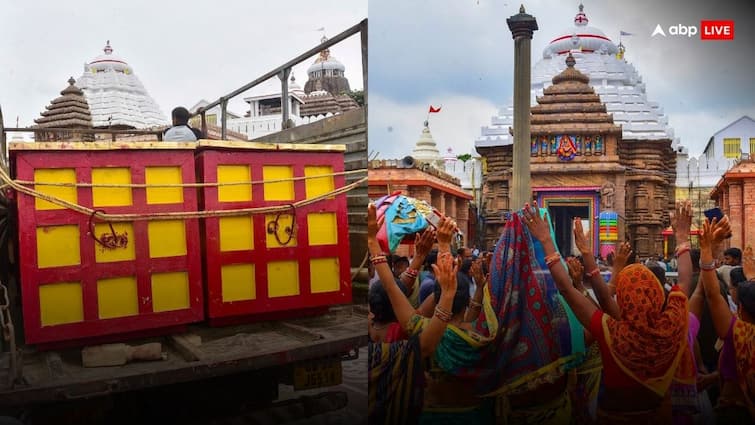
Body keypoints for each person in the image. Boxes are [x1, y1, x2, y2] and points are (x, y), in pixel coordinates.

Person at [525, 201, 694, 424]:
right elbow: (684, 280)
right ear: (658, 295)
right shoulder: (672, 325)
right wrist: (682, 236)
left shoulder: (613, 332)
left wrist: (547, 241)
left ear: (623, 299)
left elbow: (570, 290)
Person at [368, 204, 458, 425]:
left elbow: (391, 288)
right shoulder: (406, 339)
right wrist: (446, 292)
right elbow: (399, 291)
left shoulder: (370, 329)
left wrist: (374, 244)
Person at [699, 220, 755, 422]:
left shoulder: (737, 333)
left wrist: (708, 250)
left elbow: (713, 294)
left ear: (740, 307)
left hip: (735, 413)